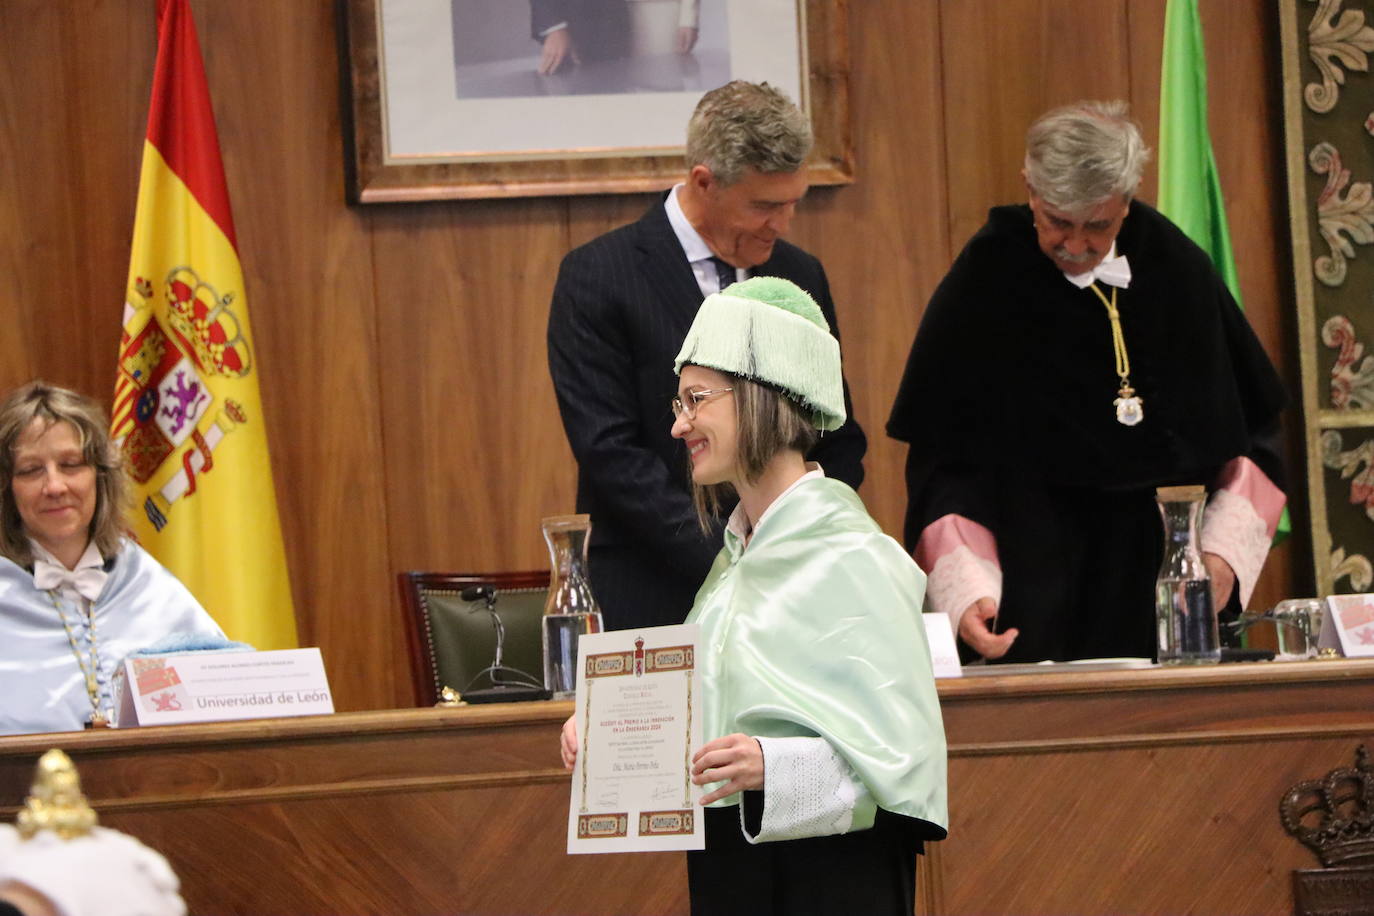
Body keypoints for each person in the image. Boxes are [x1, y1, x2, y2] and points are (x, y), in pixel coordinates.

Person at [562, 277, 947, 915]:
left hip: (831, 880)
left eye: (695, 399)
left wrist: (776, 765)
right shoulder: (734, 565)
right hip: (735, 870)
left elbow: (903, 761)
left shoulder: (855, 557)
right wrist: (604, 727)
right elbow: (706, 710)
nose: (679, 423)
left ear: (760, 396)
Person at [887, 100, 1287, 664]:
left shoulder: (1177, 268)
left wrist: (1218, 559)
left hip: (1161, 585)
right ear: (1030, 187)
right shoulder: (986, 277)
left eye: (1097, 226)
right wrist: (967, 591)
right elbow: (945, 460)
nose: (1075, 246)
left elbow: (1253, 437)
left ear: (1127, 199)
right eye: (1057, 223)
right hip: (1031, 581)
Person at [547, 80, 867, 630]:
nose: (782, 224)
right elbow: (611, 454)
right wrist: (733, 558)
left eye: (793, 203)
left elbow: (831, 429)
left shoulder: (798, 273)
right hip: (653, 591)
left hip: (793, 585)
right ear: (704, 181)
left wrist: (803, 541)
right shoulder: (598, 276)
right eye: (764, 206)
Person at [0, 381, 227, 735]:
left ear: (100, 477)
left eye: (71, 464)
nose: (55, 486)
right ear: (7, 489)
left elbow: (226, 703)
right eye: (31, 470)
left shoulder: (148, 583)